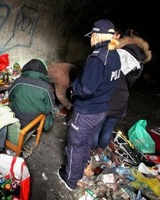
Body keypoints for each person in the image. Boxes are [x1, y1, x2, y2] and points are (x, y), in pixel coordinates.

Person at [56, 19, 121, 191]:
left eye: (92, 35)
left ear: (96, 35)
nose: (90, 39)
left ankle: (70, 179)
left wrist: (74, 82)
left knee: (75, 145)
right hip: (101, 109)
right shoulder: (115, 55)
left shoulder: (97, 57)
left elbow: (85, 89)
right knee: (85, 143)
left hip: (86, 111)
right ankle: (80, 170)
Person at [96, 29, 152, 150]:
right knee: (108, 129)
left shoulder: (117, 53)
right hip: (122, 97)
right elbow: (130, 82)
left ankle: (89, 150)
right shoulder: (139, 64)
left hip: (106, 93)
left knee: (96, 126)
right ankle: (99, 151)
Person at [8, 58, 55, 131]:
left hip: (16, 117)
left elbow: (10, 97)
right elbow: (50, 107)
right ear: (43, 72)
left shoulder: (18, 82)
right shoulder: (46, 87)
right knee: (49, 115)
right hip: (35, 122)